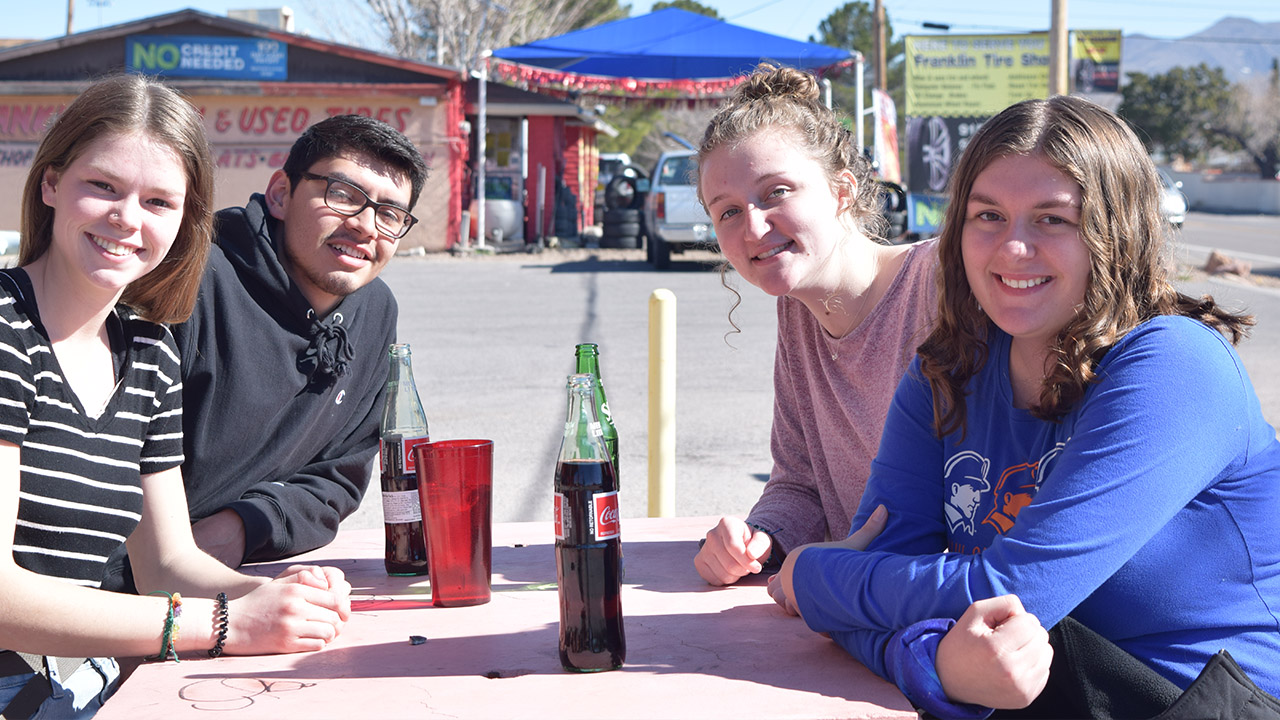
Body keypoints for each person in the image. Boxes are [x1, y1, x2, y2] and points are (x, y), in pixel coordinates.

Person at [772, 95, 1280, 716]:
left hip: (1197, 702)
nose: (1012, 248)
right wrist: (936, 664)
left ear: (1115, 233)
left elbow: (1009, 592)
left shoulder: (1173, 365)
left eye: (1052, 219)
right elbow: (880, 575)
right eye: (988, 215)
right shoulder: (945, 373)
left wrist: (812, 577)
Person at [0, 74, 351, 718]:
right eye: (102, 186)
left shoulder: (149, 347)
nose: (127, 218)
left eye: (159, 202)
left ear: (185, 221)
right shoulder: (4, 327)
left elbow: (167, 562)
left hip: (66, 685)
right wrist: (224, 625)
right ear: (51, 184)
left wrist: (274, 595)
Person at [102, 113, 429, 591]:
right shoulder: (190, 276)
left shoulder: (375, 311)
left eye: (390, 214)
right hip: (102, 587)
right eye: (342, 195)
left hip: (226, 572)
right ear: (280, 194)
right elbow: (111, 454)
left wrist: (242, 527)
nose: (365, 226)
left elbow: (338, 475)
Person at [691, 64, 938, 587]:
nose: (754, 227)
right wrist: (758, 539)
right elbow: (800, 482)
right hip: (864, 604)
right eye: (728, 211)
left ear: (841, 190)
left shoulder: (938, 282)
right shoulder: (799, 310)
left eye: (776, 191)